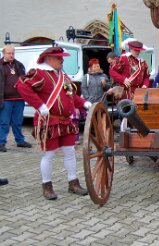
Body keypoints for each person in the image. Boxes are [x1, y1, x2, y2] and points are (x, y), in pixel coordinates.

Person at [16, 47, 92, 200]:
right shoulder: (39, 73)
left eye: (62, 58)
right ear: (49, 59)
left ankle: (73, 183)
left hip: (66, 121)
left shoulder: (63, 76)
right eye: (59, 58)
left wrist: (83, 103)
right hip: (49, 121)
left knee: (70, 153)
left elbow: (71, 96)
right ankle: (47, 186)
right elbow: (21, 85)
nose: (62, 60)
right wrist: (40, 105)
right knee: (49, 155)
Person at [0, 45, 32, 152]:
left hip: (19, 99)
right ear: (3, 53)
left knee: (17, 121)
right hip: (5, 99)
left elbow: (25, 78)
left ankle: (20, 141)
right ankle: (1, 143)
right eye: (9, 53)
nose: (11, 55)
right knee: (4, 122)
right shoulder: (0, 65)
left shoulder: (18, 65)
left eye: (13, 53)